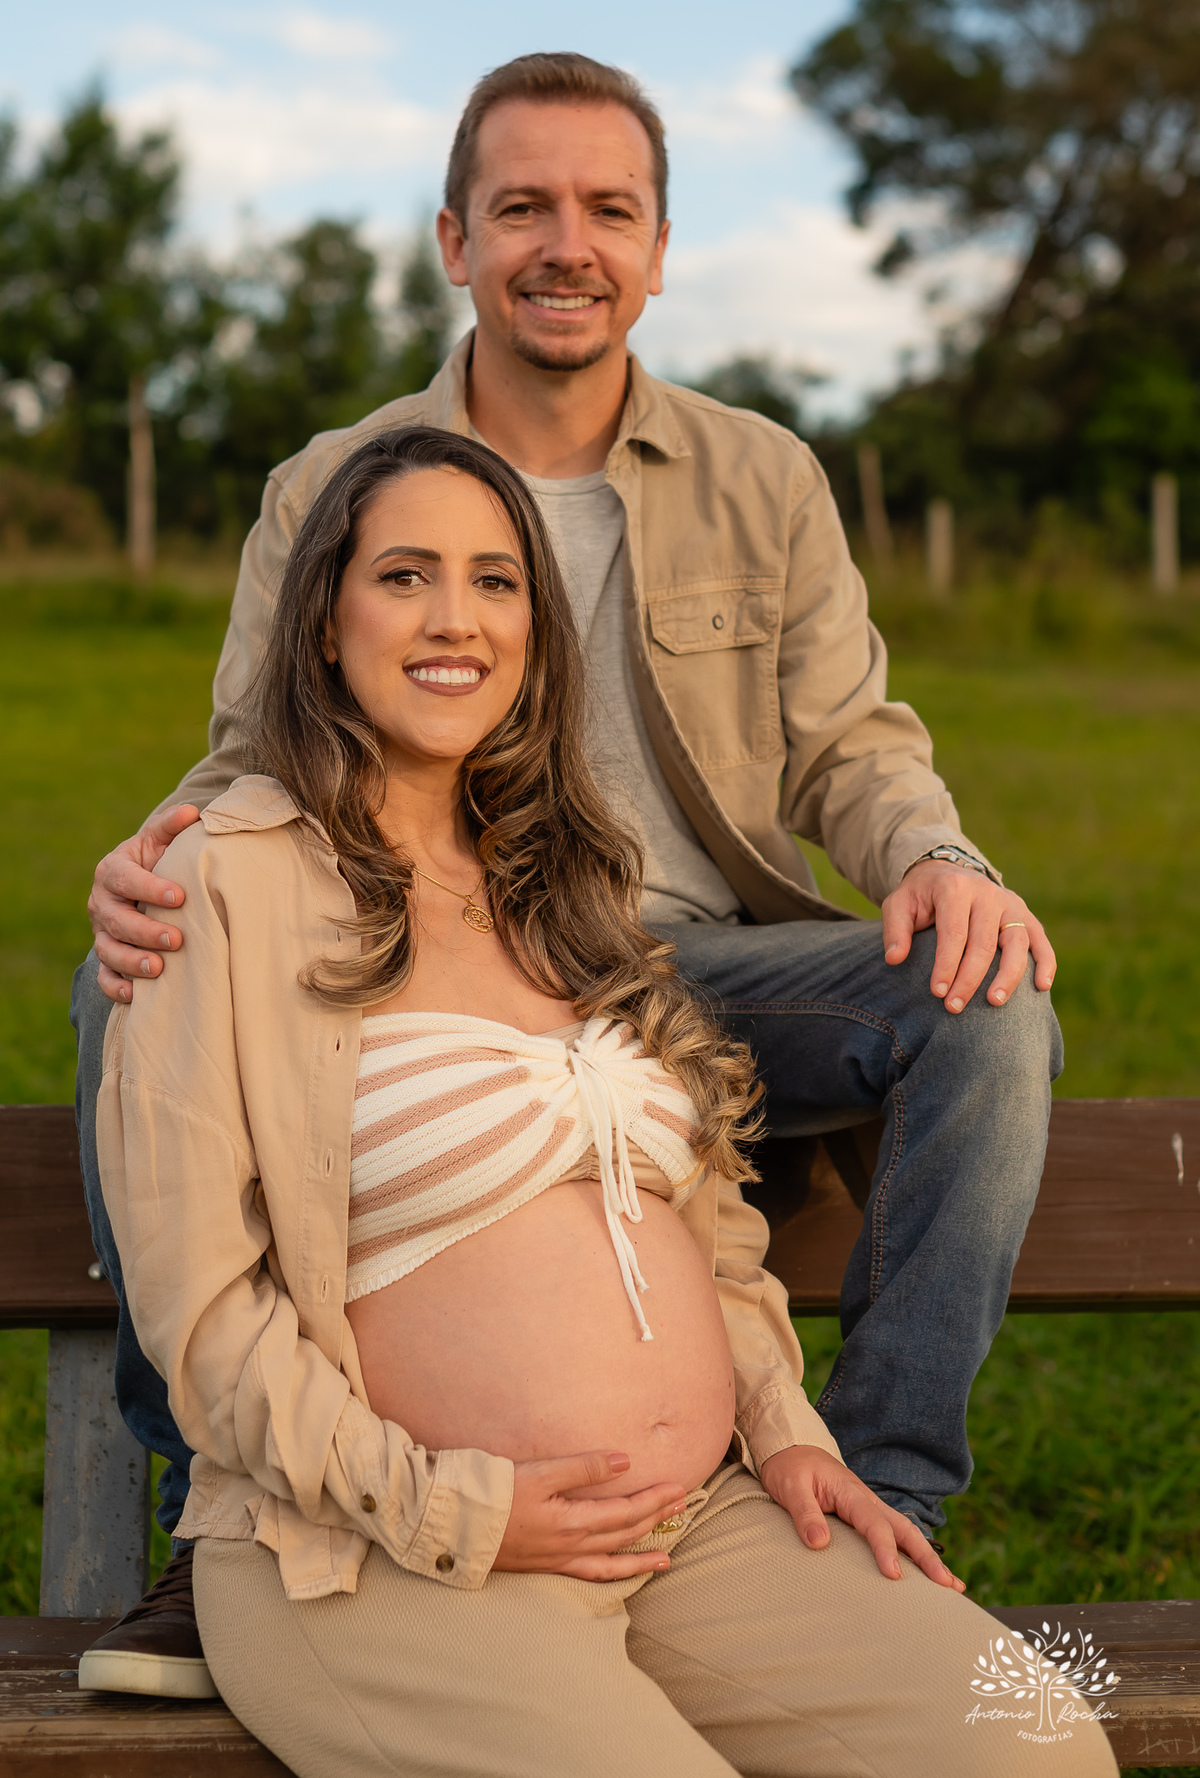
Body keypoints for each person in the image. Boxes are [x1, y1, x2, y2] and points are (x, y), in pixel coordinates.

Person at [75, 52, 1060, 1696]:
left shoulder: (765, 477)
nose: (565, 241)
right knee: (142, 977)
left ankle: (880, 1503)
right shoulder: (330, 481)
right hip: (432, 951)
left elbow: (854, 748)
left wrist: (941, 856)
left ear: (661, 249)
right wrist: (157, 859)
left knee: (993, 1001)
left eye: (609, 208)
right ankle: (207, 1514)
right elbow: (260, 748)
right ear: (456, 238)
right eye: (522, 205)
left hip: (688, 973)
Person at [91, 426, 1113, 1778]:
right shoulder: (224, 885)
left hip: (693, 1529)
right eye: (405, 576)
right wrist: (458, 1505)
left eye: (497, 581)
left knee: (1038, 1742)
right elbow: (202, 1315)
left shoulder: (569, 884)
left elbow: (703, 1220)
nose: (457, 617)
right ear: (325, 621)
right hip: (378, 1553)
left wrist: (785, 1431)